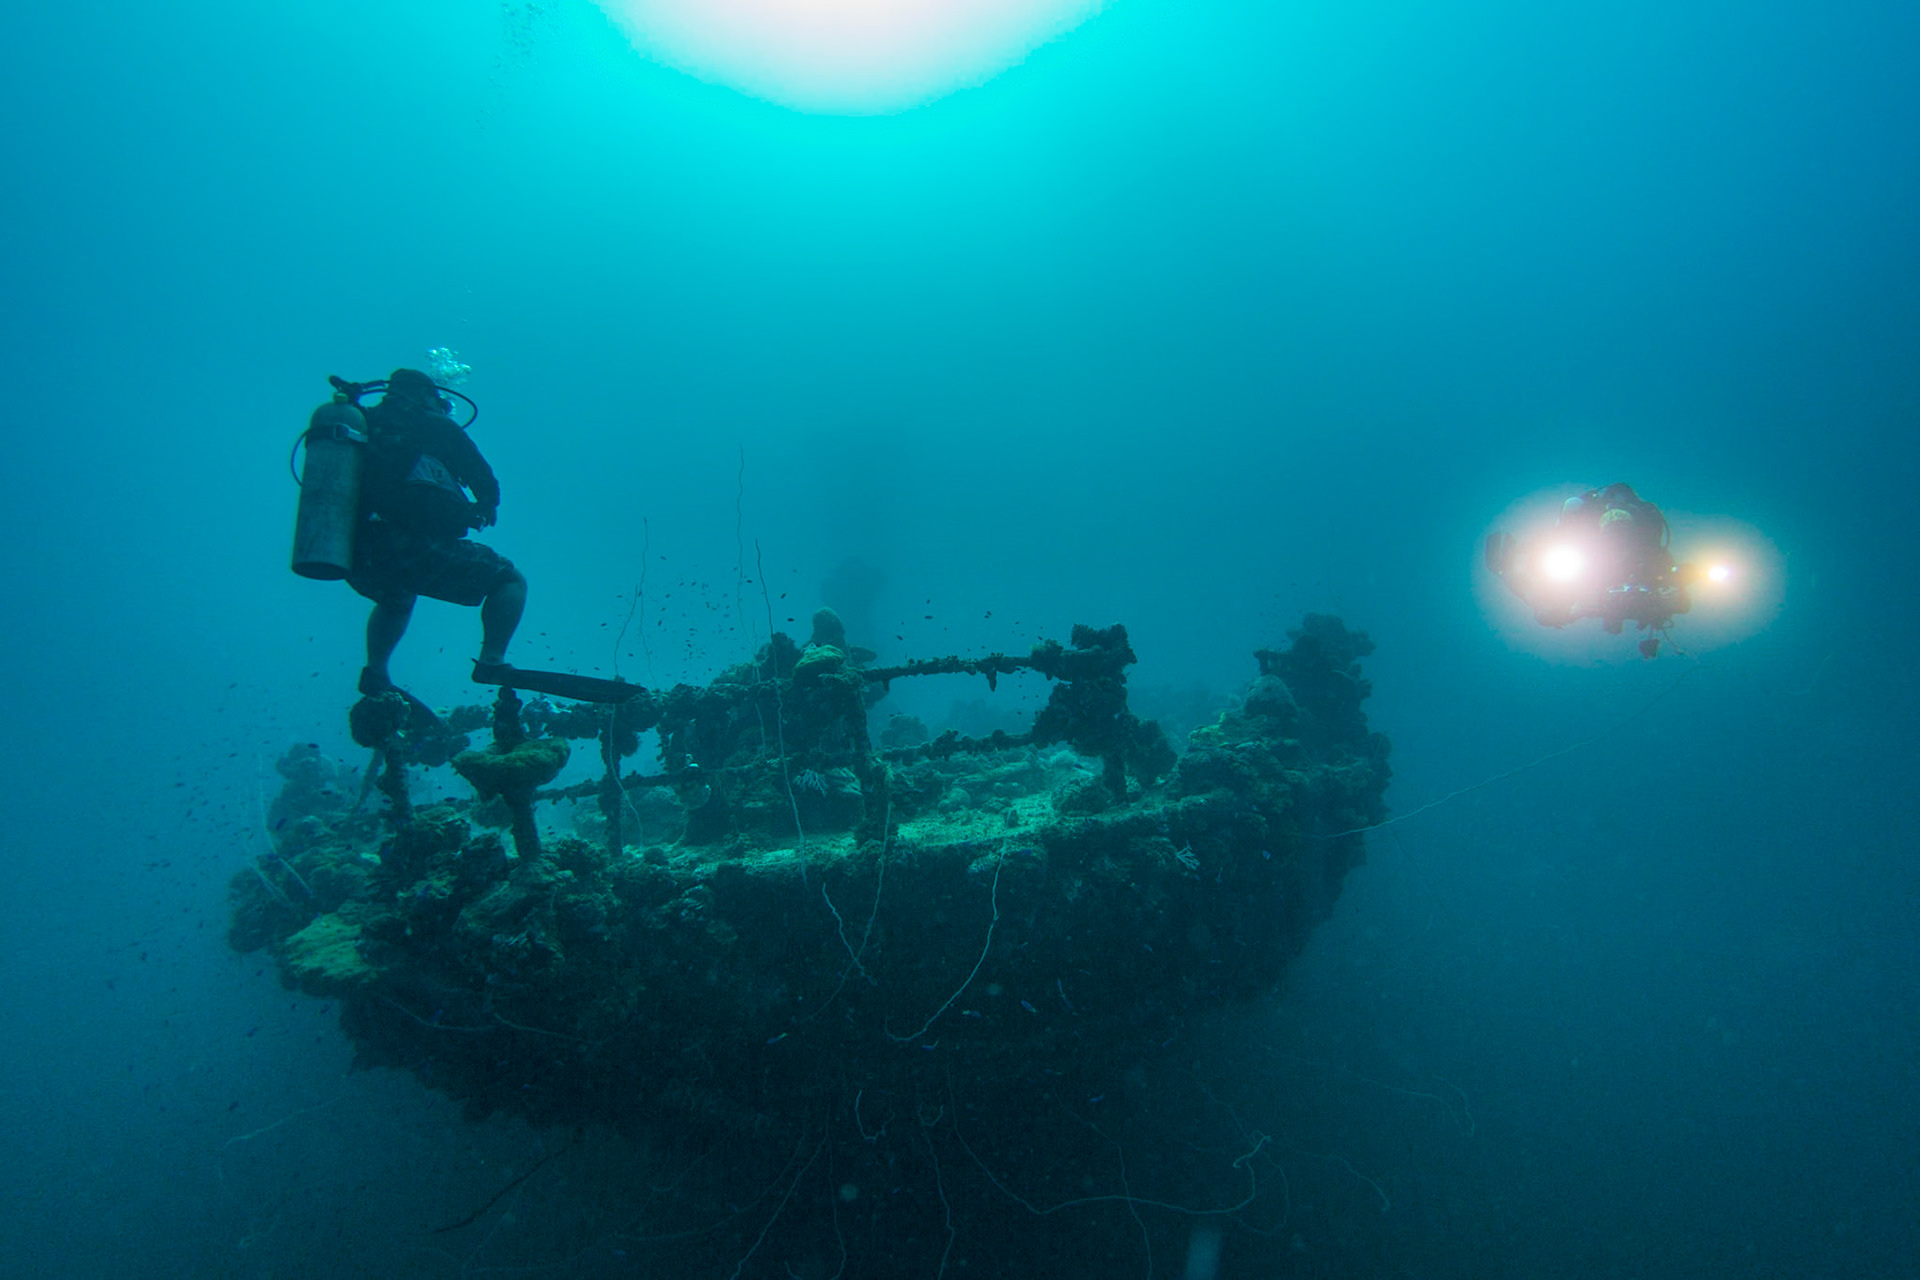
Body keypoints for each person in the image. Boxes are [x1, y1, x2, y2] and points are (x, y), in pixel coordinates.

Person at [345, 368, 526, 694]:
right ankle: (492, 660)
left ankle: (376, 671)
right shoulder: (433, 424)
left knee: (397, 595)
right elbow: (483, 477)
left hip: (355, 553)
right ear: (427, 396)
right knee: (509, 579)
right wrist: (486, 503)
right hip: (411, 545)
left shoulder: (361, 423)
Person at [1487, 483, 1695, 653]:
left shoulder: (1650, 554)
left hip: (1617, 598)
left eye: (1623, 537)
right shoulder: (1577, 554)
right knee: (1547, 609)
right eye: (1611, 537)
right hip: (1582, 591)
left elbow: (1682, 600)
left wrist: (1662, 594)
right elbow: (1547, 609)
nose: (1618, 544)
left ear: (1635, 535)